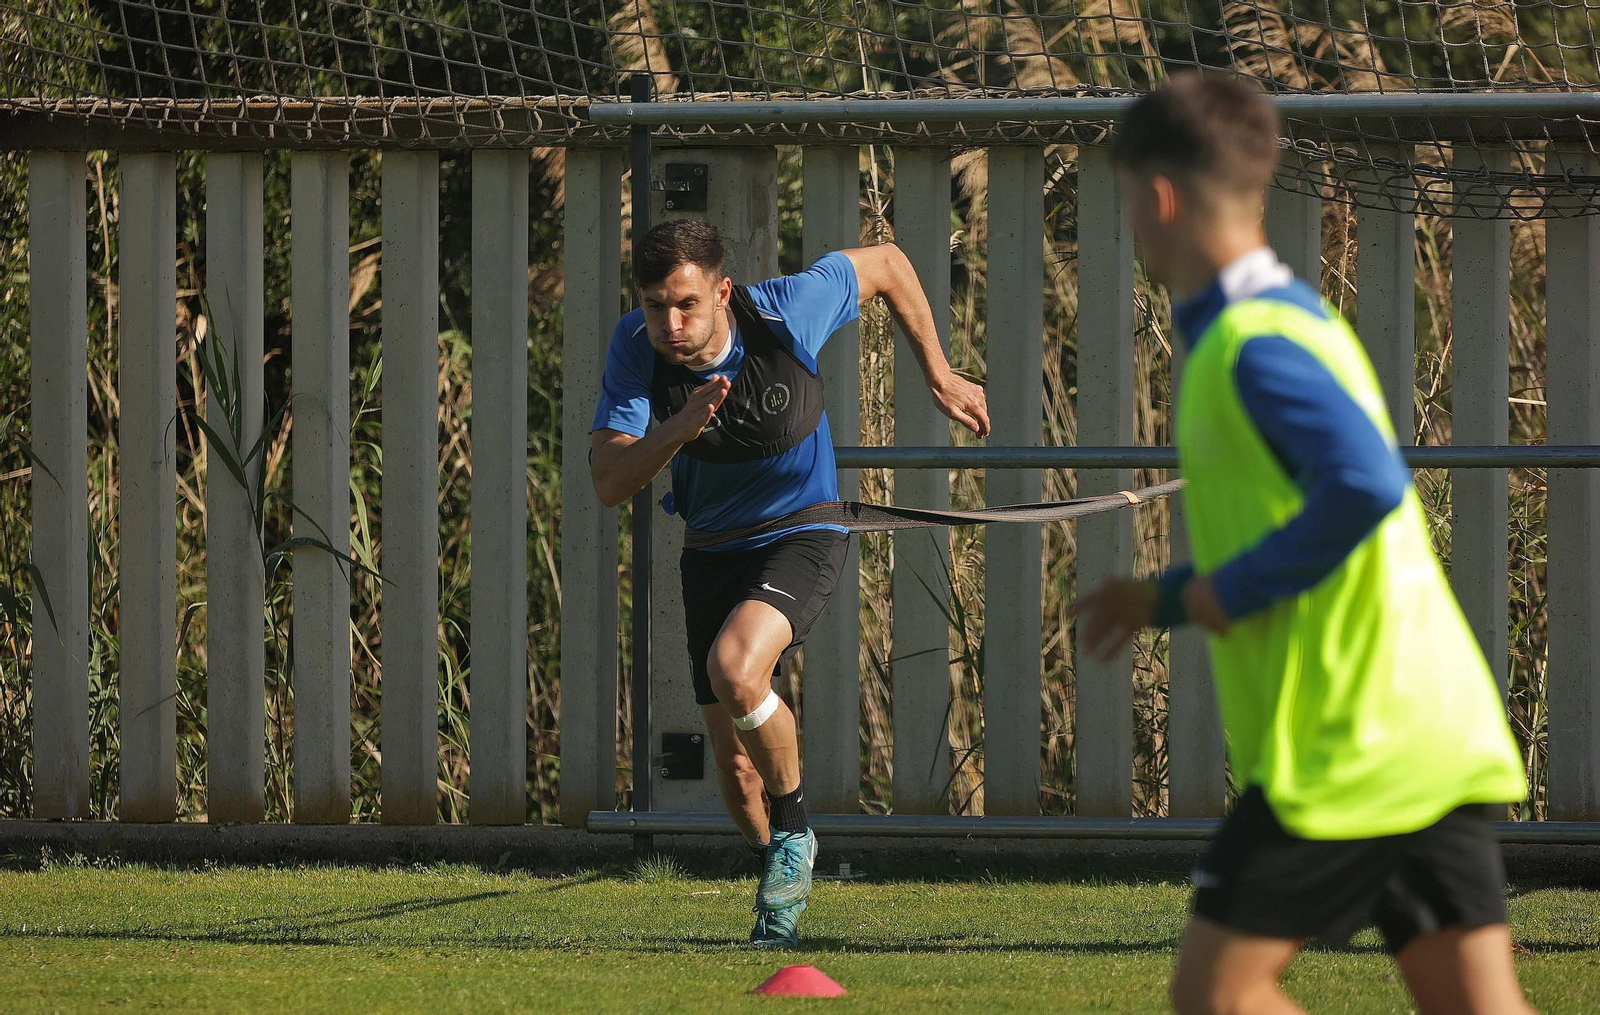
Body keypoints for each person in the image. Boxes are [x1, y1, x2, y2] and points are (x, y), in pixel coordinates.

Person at [1071, 73, 1533, 1015]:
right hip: (1422, 725)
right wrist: (1162, 598)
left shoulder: (1253, 343)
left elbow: (1365, 486)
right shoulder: (1294, 319)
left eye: (1128, 203)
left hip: (1347, 746)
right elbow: (1302, 514)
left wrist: (1222, 592)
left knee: (1217, 997)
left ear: (1158, 197)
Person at [590, 219, 989, 947]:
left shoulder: (784, 310)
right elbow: (610, 481)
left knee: (736, 669)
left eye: (685, 304)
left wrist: (940, 371)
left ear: (722, 291)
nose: (669, 323)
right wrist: (674, 430)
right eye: (653, 306)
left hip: (802, 530)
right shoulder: (633, 348)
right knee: (739, 777)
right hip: (711, 549)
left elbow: (891, 263)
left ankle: (798, 832)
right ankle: (780, 899)